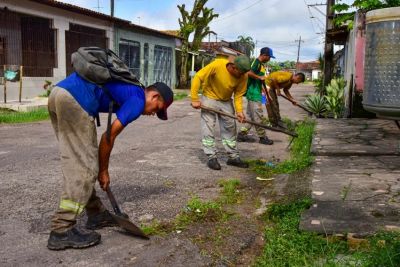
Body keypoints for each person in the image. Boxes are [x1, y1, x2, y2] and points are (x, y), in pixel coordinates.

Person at [47, 72, 173, 250]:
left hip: (59, 93)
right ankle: (61, 229)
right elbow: (108, 137)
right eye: (158, 108)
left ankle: (95, 212)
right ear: (154, 95)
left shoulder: (130, 90)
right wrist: (103, 171)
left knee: (78, 160)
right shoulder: (137, 99)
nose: (154, 113)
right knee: (85, 167)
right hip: (76, 98)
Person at [191, 55, 251, 171]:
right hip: (209, 98)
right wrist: (194, 99)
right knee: (208, 127)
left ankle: (233, 157)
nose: (242, 76)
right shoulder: (217, 65)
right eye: (240, 72)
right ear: (233, 67)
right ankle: (211, 157)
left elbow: (238, 95)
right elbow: (198, 77)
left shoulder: (243, 76)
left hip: (226, 100)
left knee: (230, 127)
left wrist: (239, 111)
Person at [237, 47, 274, 145]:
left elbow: (260, 82)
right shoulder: (256, 63)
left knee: (251, 117)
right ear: (264, 55)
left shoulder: (261, 65)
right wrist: (259, 77)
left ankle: (242, 134)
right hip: (253, 93)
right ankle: (262, 137)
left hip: (256, 92)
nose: (269, 59)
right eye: (269, 57)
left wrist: (266, 95)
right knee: (258, 116)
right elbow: (248, 72)